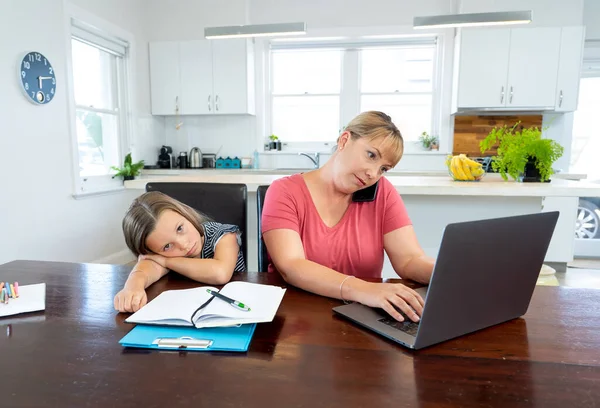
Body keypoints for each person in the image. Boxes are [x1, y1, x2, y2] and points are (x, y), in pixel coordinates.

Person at [261, 111, 434, 323]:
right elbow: (292, 266)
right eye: (371, 155)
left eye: (383, 169)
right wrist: (365, 290)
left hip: (362, 320)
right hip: (297, 322)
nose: (373, 174)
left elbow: (409, 259)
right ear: (344, 140)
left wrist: (447, 272)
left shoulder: (383, 192)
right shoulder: (284, 191)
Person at [114, 191, 245, 313]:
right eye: (167, 246)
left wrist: (166, 261)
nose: (183, 245)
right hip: (191, 312)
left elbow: (220, 273)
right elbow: (144, 269)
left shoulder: (224, 235)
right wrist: (132, 287)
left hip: (234, 307)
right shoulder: (162, 255)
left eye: (180, 228)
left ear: (185, 213)